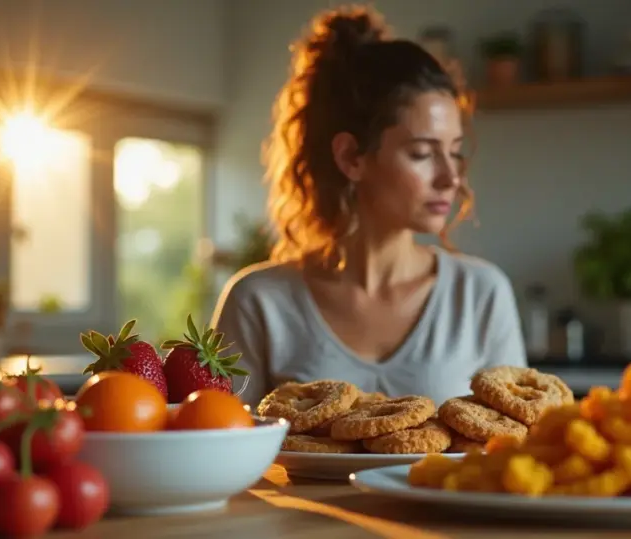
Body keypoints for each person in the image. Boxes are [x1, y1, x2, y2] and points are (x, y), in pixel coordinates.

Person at [211, 5, 527, 408]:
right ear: (352, 157)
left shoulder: (481, 294)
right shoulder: (259, 301)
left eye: (454, 152)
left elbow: (515, 443)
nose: (452, 178)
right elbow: (223, 445)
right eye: (421, 153)